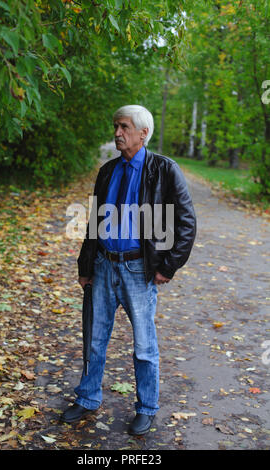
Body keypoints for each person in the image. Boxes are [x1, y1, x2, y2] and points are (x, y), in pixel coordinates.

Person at [61, 105, 196, 435]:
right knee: (94, 339)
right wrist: (86, 265)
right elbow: (94, 222)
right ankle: (88, 397)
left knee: (144, 346)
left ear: (143, 133)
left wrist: (169, 266)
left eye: (123, 127)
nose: (117, 133)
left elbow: (187, 222)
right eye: (116, 127)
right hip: (105, 266)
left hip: (139, 270)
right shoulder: (108, 171)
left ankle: (147, 407)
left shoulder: (164, 169)